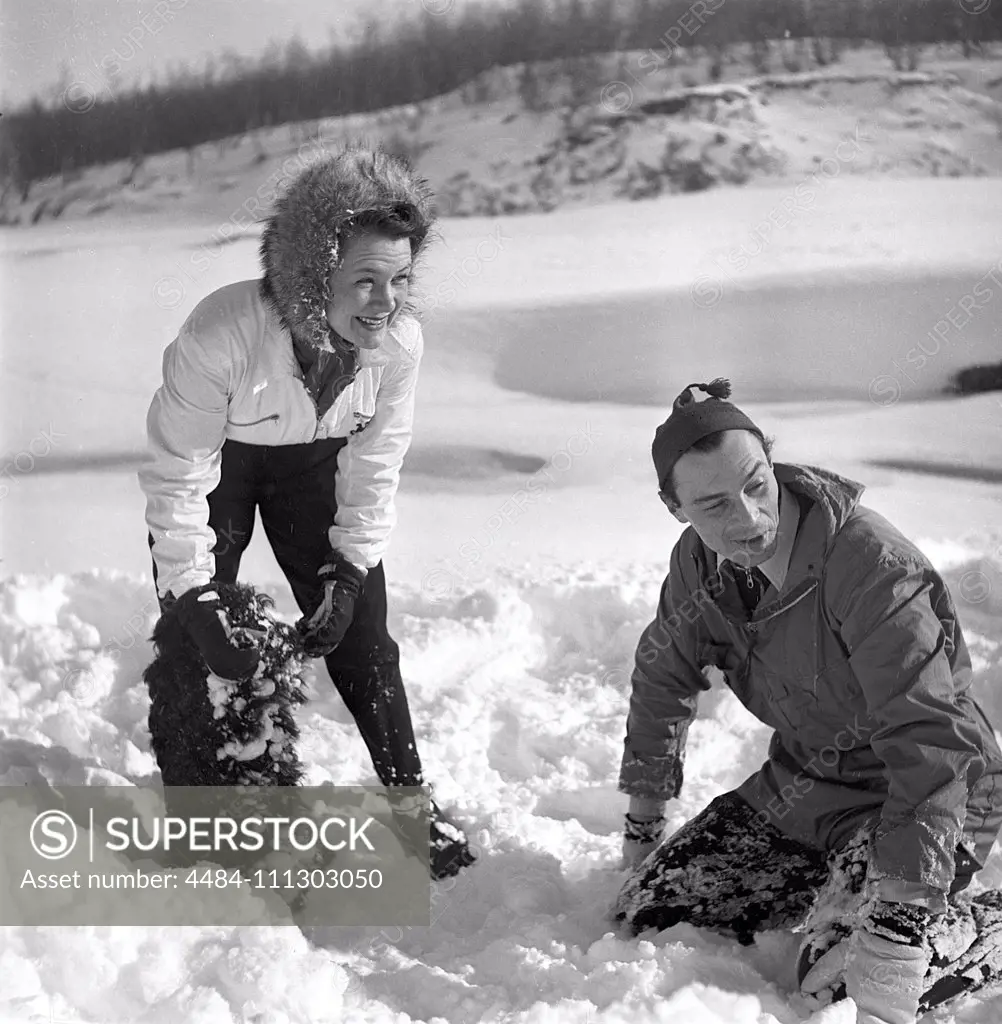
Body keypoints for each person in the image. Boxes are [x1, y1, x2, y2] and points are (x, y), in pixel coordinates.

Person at [614, 378, 1002, 1023]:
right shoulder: (699, 565)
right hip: (807, 785)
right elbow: (662, 678)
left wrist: (899, 923)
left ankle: (982, 929)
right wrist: (643, 822)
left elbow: (929, 738)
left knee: (841, 985)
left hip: (939, 790)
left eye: (755, 484)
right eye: (713, 504)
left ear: (772, 462)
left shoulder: (872, 567)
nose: (747, 520)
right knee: (650, 912)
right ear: (676, 508)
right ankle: (843, 894)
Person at [138, 145, 475, 880]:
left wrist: (350, 570)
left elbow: (376, 462)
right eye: (365, 280)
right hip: (219, 468)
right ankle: (201, 824)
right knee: (195, 645)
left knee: (365, 639)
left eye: (400, 280)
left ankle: (409, 805)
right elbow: (177, 475)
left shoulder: (397, 347)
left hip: (311, 469)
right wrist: (194, 596)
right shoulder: (220, 333)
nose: (385, 303)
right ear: (311, 273)